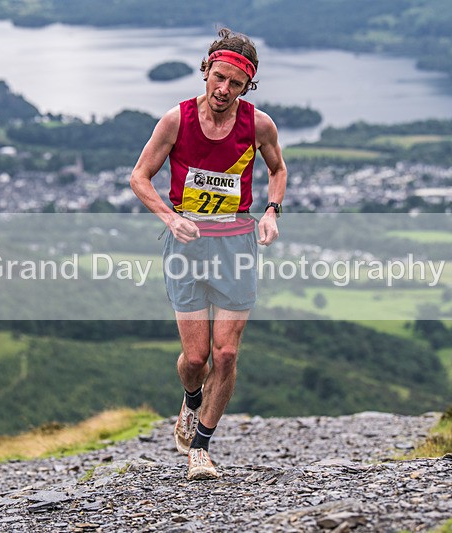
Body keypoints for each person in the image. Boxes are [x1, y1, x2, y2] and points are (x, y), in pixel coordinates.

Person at [130, 28, 287, 480]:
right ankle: (191, 399)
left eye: (235, 84)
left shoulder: (258, 124)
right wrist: (168, 217)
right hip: (186, 243)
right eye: (218, 78)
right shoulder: (175, 121)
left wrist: (272, 213)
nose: (224, 90)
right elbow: (139, 177)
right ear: (206, 71)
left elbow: (277, 168)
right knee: (196, 359)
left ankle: (201, 446)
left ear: (246, 86)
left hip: (236, 243)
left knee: (227, 355)